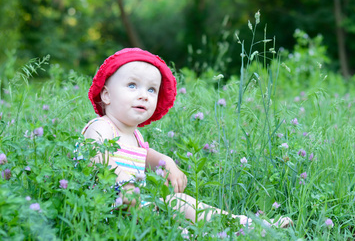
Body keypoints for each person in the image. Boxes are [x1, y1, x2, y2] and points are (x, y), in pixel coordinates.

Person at [82, 48, 292, 227]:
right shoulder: (102, 127)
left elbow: (151, 156)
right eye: (132, 85)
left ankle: (241, 225)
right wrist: (125, 185)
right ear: (106, 95)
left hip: (136, 209)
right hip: (103, 208)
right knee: (177, 203)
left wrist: (170, 165)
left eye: (152, 89)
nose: (144, 95)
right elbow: (100, 157)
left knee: (179, 204)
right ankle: (242, 227)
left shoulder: (135, 137)